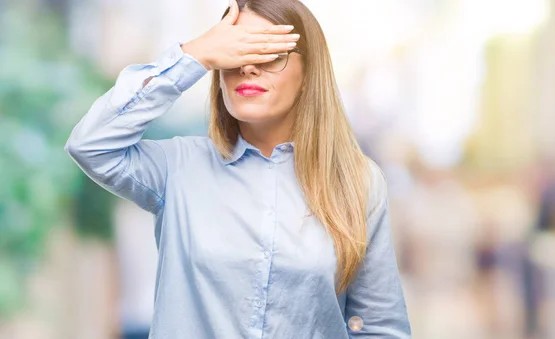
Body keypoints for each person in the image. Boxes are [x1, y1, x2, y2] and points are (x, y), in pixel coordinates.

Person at [64, 0, 411, 337]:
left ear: (308, 74)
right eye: (236, 53)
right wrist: (193, 54)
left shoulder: (358, 181)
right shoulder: (178, 168)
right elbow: (90, 144)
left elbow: (380, 327)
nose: (248, 67)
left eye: (270, 54)